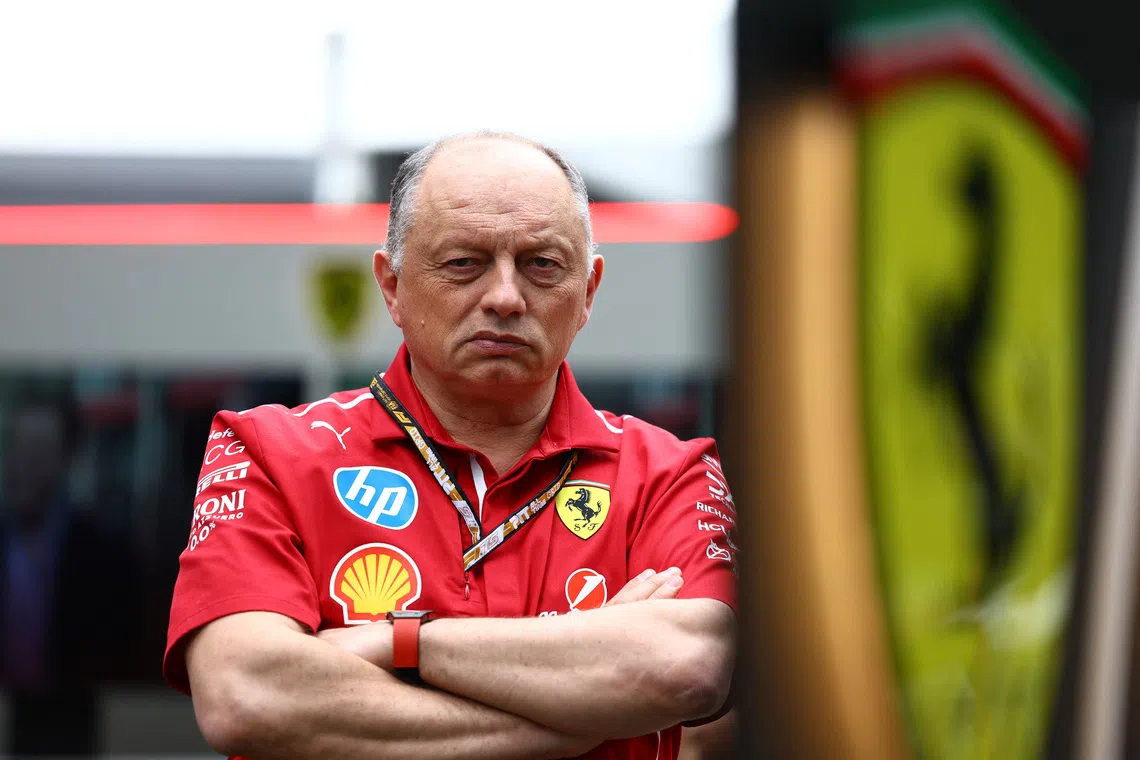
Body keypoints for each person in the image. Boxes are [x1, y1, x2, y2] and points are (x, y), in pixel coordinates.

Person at [164, 131, 739, 760]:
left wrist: (397, 644)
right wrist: (593, 708)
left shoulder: (670, 473)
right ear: (391, 285)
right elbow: (246, 696)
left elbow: (692, 665)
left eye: (542, 264)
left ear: (588, 293)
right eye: (463, 262)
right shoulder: (266, 452)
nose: (505, 297)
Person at [1, 392, 140, 756]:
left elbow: (118, 650)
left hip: (73, 724)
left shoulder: (101, 556)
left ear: (66, 459)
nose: (25, 464)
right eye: (19, 448)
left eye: (40, 450)